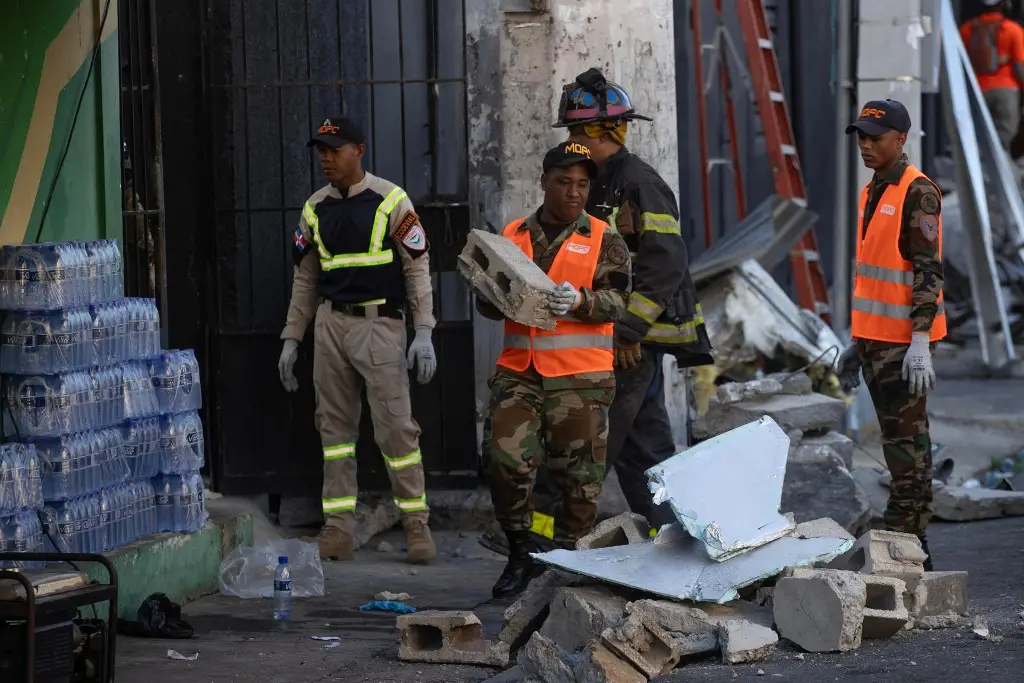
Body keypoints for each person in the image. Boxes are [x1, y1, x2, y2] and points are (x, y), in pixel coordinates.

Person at [548, 68, 713, 531]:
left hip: (632, 340)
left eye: (579, 133)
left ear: (606, 132)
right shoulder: (596, 180)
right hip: (611, 332)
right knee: (645, 448)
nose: (573, 143)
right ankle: (672, 535)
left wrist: (628, 331)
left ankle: (552, 538)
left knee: (593, 439)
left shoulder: (638, 183)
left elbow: (665, 264)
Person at [277, 116, 439, 564]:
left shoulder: (391, 201)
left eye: (335, 150)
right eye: (321, 151)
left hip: (379, 325)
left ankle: (416, 525)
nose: (326, 159)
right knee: (334, 432)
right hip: (331, 325)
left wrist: (424, 332)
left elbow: (416, 267)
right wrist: (292, 337)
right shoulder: (315, 208)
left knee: (396, 429)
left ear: (359, 151)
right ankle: (338, 529)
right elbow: (305, 279)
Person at [475, 141, 632, 598]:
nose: (574, 192)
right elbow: (491, 303)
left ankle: (566, 564)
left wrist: (581, 301)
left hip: (581, 379)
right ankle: (521, 550)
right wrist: (489, 294)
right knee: (503, 461)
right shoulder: (514, 234)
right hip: (519, 372)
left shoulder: (605, 238)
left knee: (579, 482)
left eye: (582, 184)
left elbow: (620, 301)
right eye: (564, 182)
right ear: (544, 182)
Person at [838, 99, 945, 571]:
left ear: (900, 140)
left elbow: (927, 272)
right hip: (875, 341)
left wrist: (920, 342)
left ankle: (907, 544)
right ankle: (908, 545)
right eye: (861, 137)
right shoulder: (874, 190)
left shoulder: (917, 192)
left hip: (903, 345)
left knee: (908, 449)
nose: (865, 145)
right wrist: (857, 340)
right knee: (898, 444)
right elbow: (875, 277)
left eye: (875, 138)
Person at [960, 0, 1024, 150]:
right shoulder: (1013, 29)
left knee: (979, 133)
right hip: (1006, 89)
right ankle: (1001, 160)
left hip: (977, 89)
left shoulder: (967, 29)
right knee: (1005, 134)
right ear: (1004, 5)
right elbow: (1019, 67)